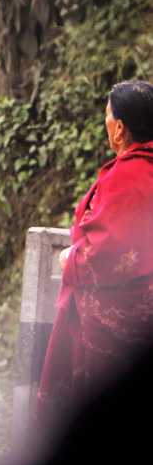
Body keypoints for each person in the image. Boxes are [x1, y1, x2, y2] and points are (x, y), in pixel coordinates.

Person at [36, 79, 153, 430]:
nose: (106, 124)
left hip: (114, 324)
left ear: (119, 128)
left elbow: (109, 253)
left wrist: (71, 258)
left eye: (107, 116)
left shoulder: (129, 175)